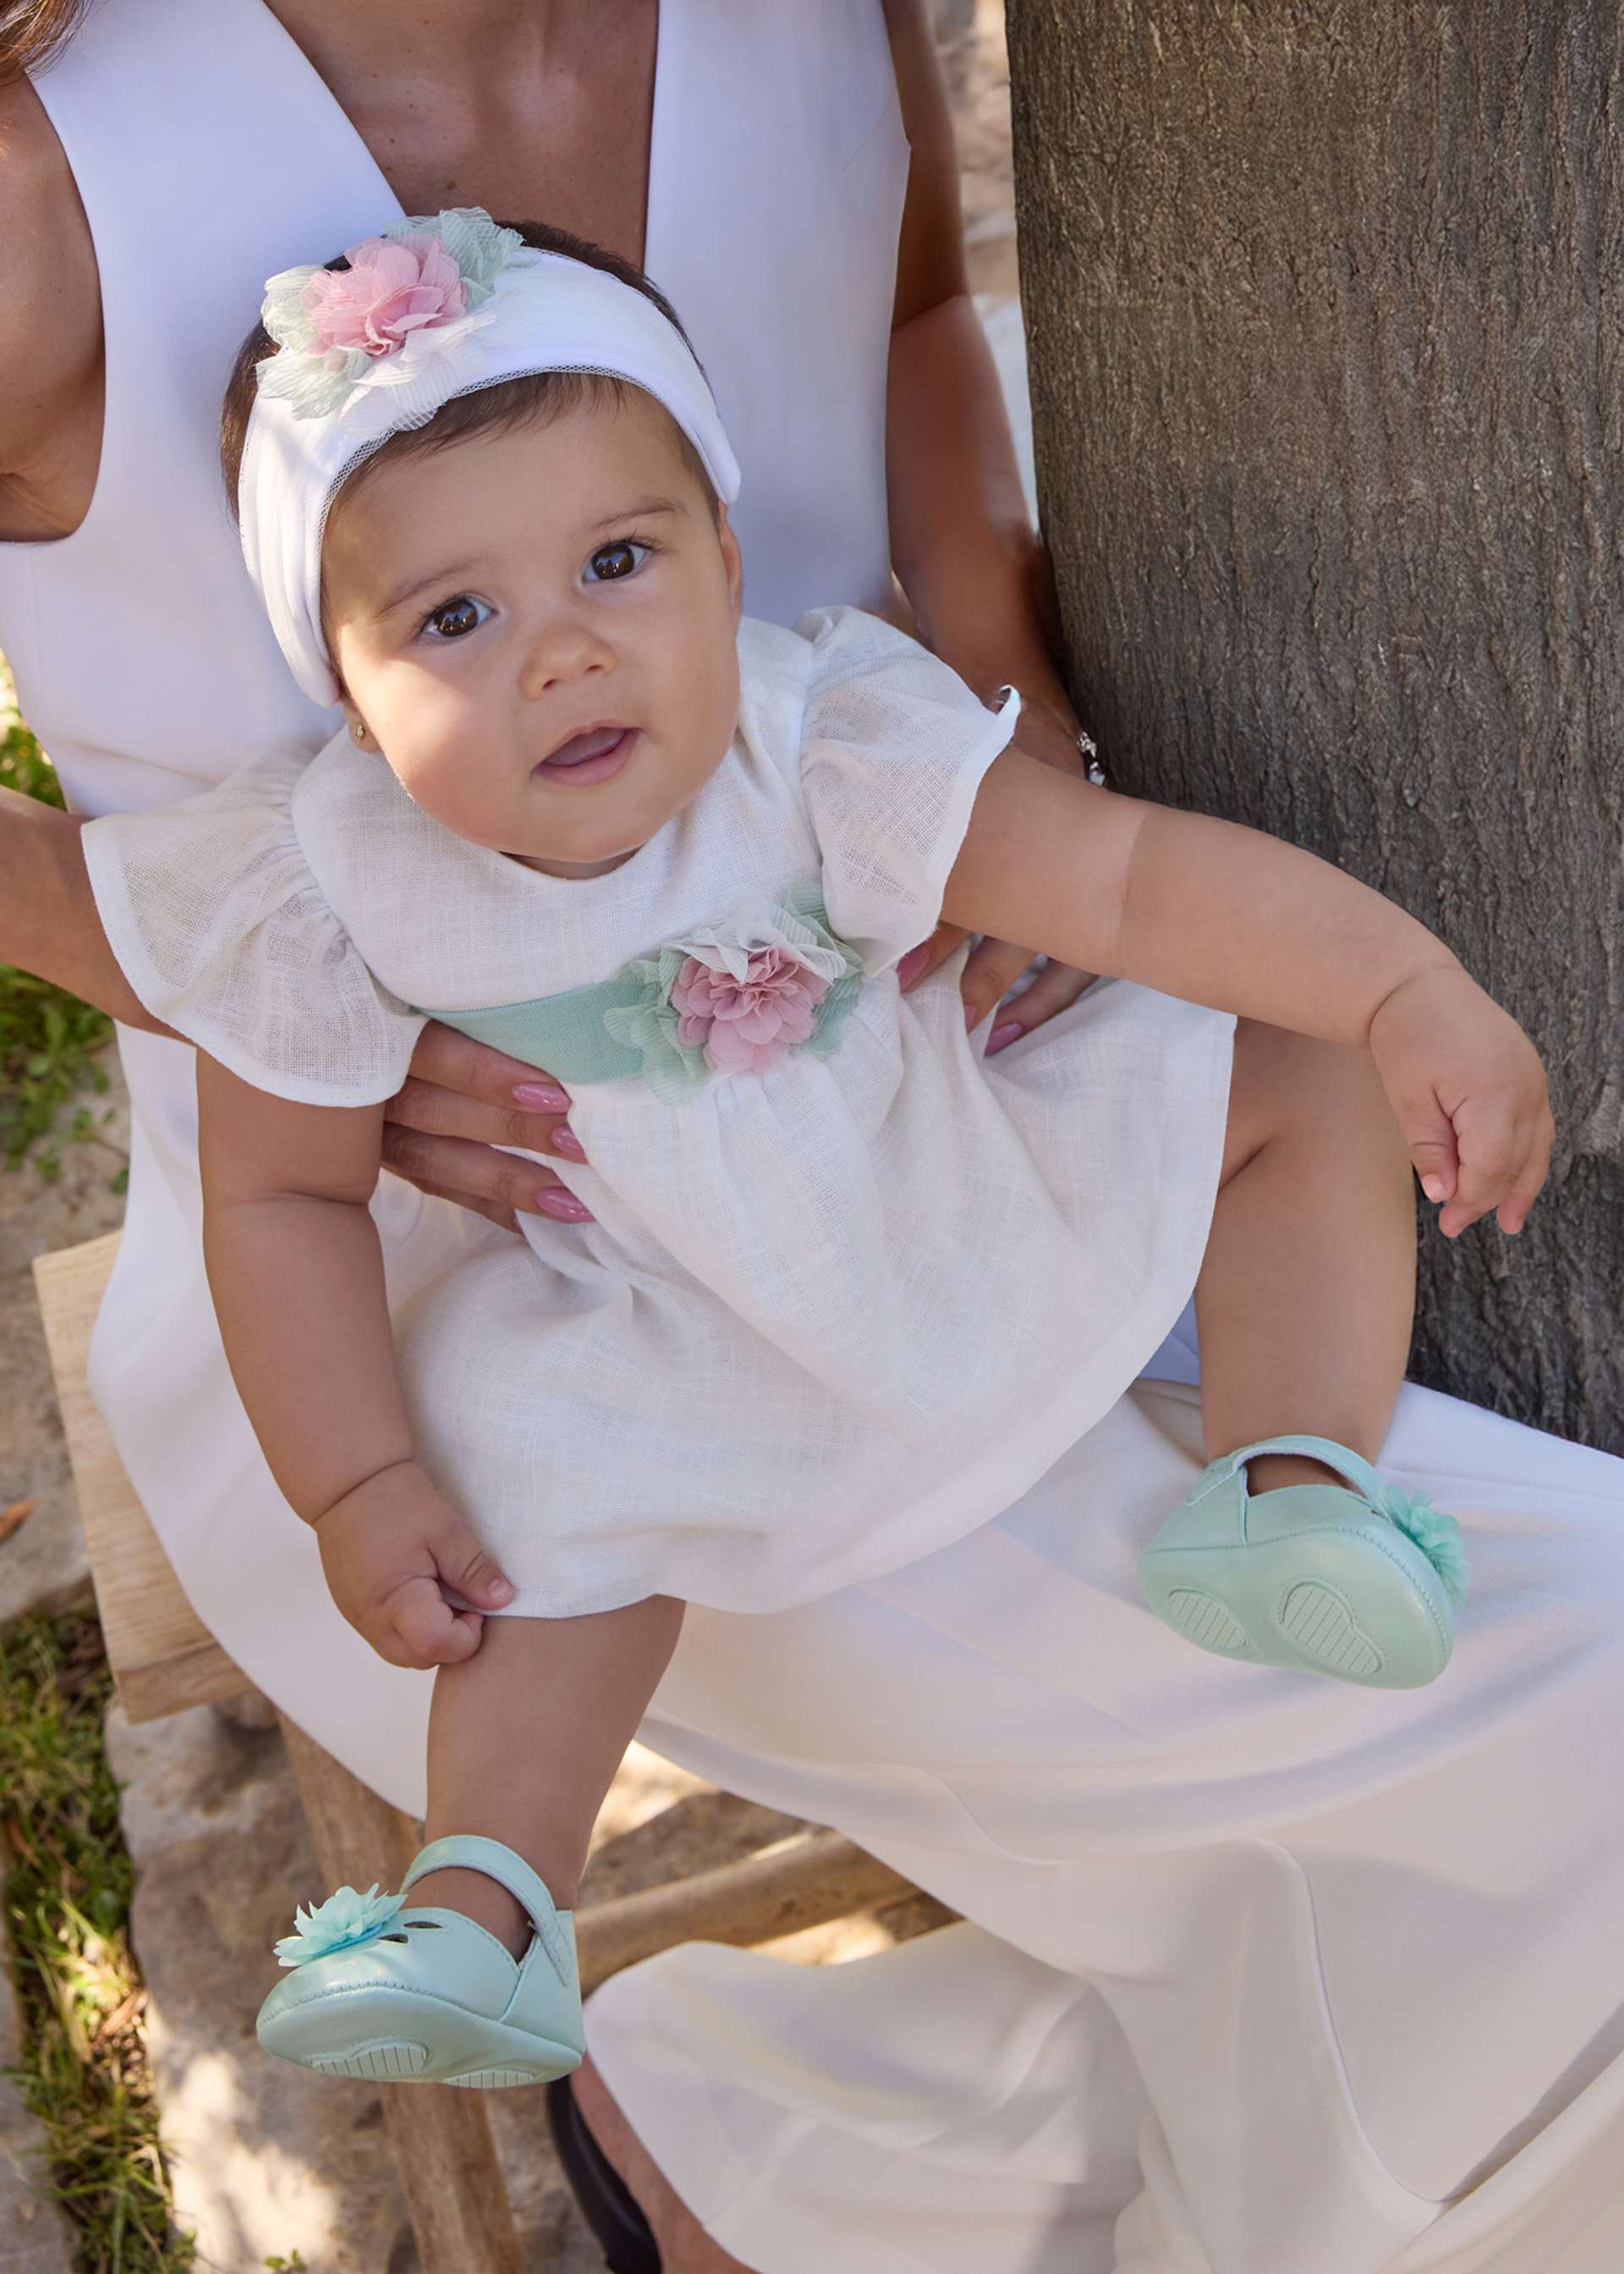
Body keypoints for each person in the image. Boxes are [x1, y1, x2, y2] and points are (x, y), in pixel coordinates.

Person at [3, 7, 1621, 2270]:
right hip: (497, 1313)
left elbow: (920, 315)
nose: (554, 649)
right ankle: (764, 2114)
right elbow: (285, 1070)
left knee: (1513, 1795)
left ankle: (794, 2141)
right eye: (466, 614)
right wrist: (239, 985)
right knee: (1586, 1737)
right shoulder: (41, 192)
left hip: (937, 1051)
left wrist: (994, 676)